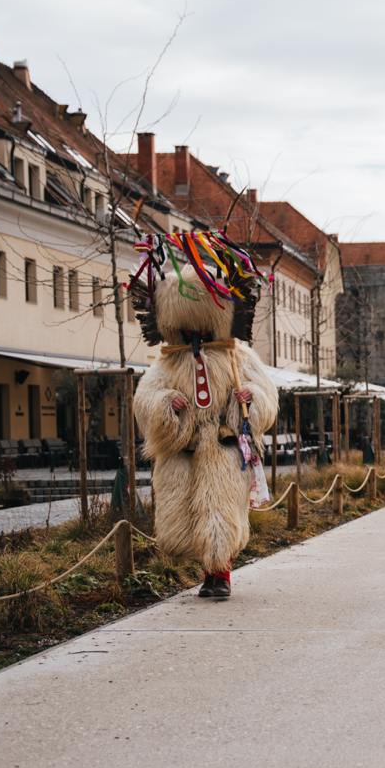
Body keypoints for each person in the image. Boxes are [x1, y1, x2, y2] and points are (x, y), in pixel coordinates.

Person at [131, 233, 278, 600]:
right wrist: (167, 403)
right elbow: (145, 399)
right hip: (184, 449)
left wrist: (249, 398)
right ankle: (207, 572)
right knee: (185, 515)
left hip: (223, 448)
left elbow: (266, 395)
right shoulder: (168, 360)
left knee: (219, 513)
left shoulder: (237, 356)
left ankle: (220, 575)